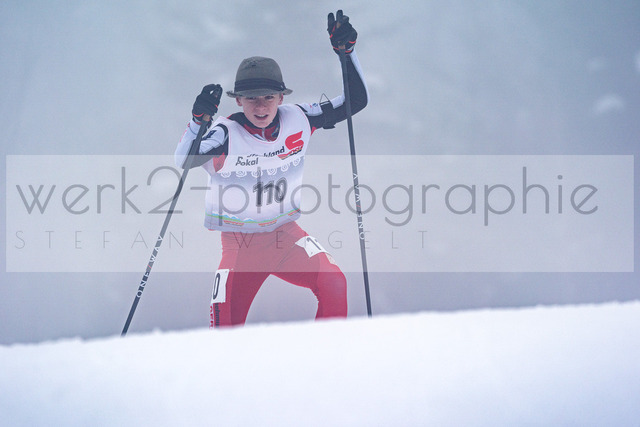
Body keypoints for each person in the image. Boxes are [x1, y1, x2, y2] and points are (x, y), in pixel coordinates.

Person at [175, 10, 368, 328]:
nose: (261, 106)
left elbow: (355, 102)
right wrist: (198, 123)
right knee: (224, 337)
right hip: (240, 249)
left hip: (286, 238)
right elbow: (185, 159)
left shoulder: (300, 118)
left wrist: (346, 54)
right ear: (238, 101)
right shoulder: (225, 133)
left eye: (268, 97)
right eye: (251, 99)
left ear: (281, 97)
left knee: (334, 282)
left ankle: (329, 356)